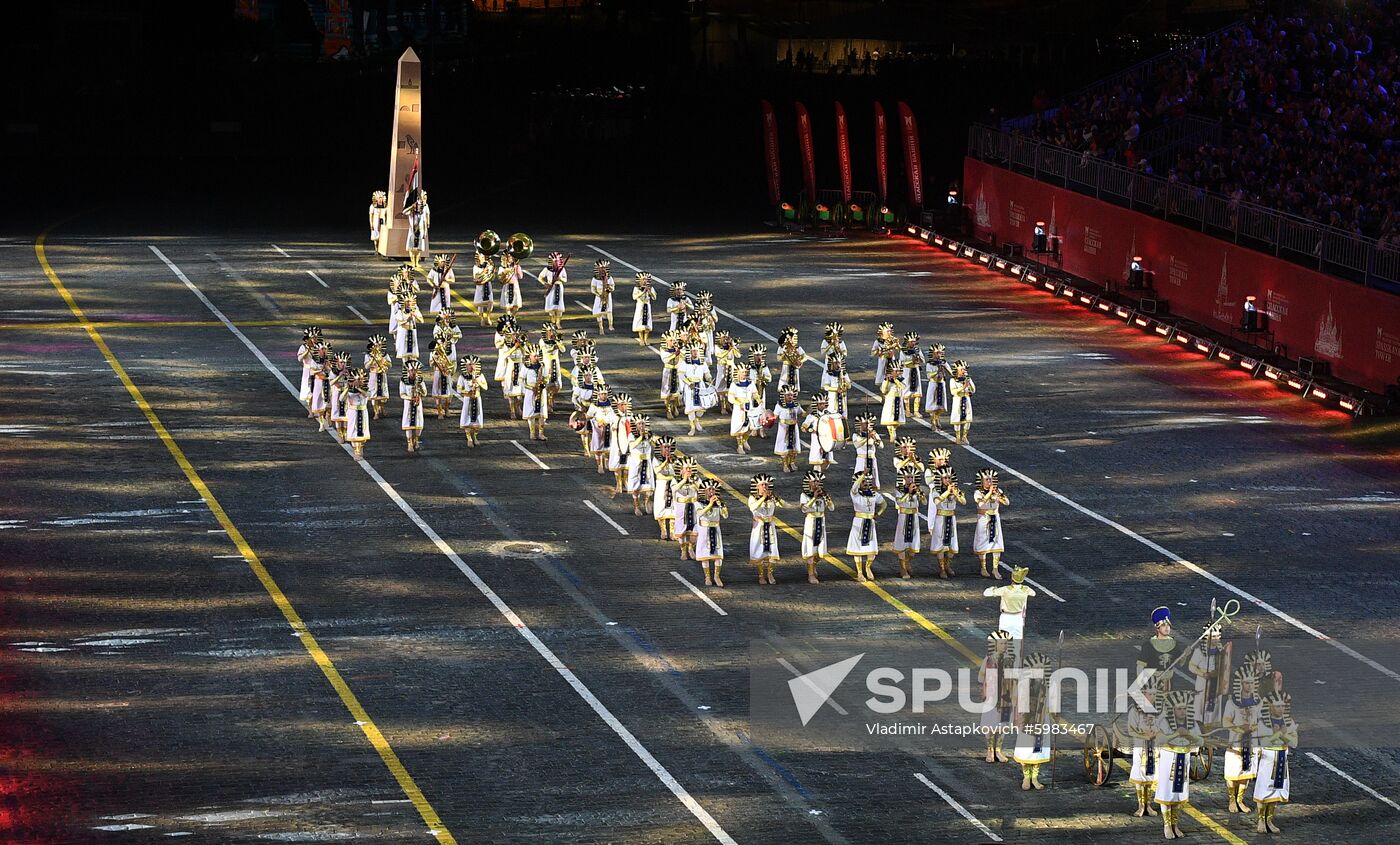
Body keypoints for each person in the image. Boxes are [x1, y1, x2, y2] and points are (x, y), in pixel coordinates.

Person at [1156, 690, 1202, 839]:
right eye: (1179, 708)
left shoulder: (1192, 723)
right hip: (1169, 758)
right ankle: (1167, 825)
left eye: (1184, 708)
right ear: (1173, 709)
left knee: (1178, 793)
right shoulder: (1164, 722)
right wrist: (1177, 733)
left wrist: (1188, 735)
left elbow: (1200, 740)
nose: (1182, 711)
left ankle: (1175, 824)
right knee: (1167, 791)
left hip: (1184, 757)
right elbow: (1160, 740)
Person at [1222, 661, 1263, 815]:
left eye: (1251, 683)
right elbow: (1226, 721)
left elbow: (1263, 721)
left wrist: (1254, 728)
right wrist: (1239, 728)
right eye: (1246, 683)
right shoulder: (1232, 703)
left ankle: (1240, 800)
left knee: (1246, 772)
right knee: (1233, 772)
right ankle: (1232, 799)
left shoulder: (1258, 703)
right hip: (1236, 742)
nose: (1249, 686)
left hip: (1251, 742)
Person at [1253, 691, 1296, 834]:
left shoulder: (1288, 721)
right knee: (1264, 789)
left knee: (1276, 791)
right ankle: (1260, 820)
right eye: (1277, 706)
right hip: (1268, 759)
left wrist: (1282, 735)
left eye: (1283, 706)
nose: (1281, 709)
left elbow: (1294, 742)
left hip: (1282, 758)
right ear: (1270, 706)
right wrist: (1279, 734)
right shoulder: (1263, 722)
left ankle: (1269, 820)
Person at [1012, 651, 1053, 790]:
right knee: (1026, 749)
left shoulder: (1047, 685)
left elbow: (1051, 703)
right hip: (1027, 721)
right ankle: (1026, 777)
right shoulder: (1024, 685)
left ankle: (1034, 777)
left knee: (1037, 750)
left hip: (1041, 721)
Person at [1128, 674, 1166, 817]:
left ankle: (1148, 805)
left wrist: (1157, 733)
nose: (1152, 697)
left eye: (1155, 694)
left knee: (1151, 775)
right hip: (1141, 747)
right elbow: (1131, 730)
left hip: (1154, 747)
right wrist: (1145, 735)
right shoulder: (1135, 711)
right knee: (1140, 774)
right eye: (1150, 694)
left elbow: (1163, 727)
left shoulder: (1159, 711)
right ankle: (1140, 805)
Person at [980, 630, 1017, 763]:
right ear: (995, 644)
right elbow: (982, 677)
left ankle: (998, 749)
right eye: (1001, 643)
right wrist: (985, 691)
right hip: (992, 697)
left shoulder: (1011, 660)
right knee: (991, 723)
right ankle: (990, 750)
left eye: (1006, 643)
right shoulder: (989, 659)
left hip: (1006, 697)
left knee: (1003, 724)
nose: (1004, 646)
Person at [846, 471, 885, 582]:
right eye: (863, 481)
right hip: (859, 523)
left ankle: (868, 567)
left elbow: (884, 504)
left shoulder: (874, 494)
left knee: (871, 547)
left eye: (867, 481)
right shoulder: (855, 494)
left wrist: (878, 514)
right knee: (858, 547)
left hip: (870, 522)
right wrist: (863, 474)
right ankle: (859, 572)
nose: (866, 483)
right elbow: (854, 487)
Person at [927, 467, 964, 578]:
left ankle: (947, 565)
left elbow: (963, 501)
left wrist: (956, 493)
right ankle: (942, 568)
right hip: (940, 518)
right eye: (945, 478)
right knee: (940, 544)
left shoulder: (955, 489)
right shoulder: (936, 490)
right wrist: (947, 492)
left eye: (949, 478)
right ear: (940, 479)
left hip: (951, 518)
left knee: (952, 544)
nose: (947, 480)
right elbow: (936, 501)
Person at [799, 470, 834, 583]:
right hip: (811, 523)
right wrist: (814, 498)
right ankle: (810, 574)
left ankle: (814, 566)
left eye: (818, 481)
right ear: (809, 483)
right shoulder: (804, 495)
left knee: (819, 552)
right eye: (814, 481)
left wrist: (827, 498)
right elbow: (804, 509)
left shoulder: (823, 494)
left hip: (821, 523)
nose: (817, 484)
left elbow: (832, 508)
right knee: (810, 549)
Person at [973, 468, 1009, 578]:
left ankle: (995, 569)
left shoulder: (998, 491)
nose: (990, 482)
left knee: (997, 543)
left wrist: (999, 495)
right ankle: (983, 568)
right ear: (982, 481)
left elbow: (1007, 502)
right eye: (987, 480)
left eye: (991, 479)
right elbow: (981, 505)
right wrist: (989, 493)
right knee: (982, 542)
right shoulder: (978, 493)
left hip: (995, 519)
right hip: (983, 519)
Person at [748, 474, 783, 585]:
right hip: (759, 527)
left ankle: (770, 573)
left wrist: (775, 498)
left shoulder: (771, 497)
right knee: (759, 549)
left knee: (772, 549)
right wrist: (763, 498)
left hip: (770, 525)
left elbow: (782, 505)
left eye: (766, 485)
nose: (764, 487)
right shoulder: (752, 497)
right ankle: (761, 575)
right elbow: (753, 507)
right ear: (757, 486)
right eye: (762, 485)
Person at [983, 566, 1035, 639]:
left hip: (1006, 617)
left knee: (1003, 640)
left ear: (1012, 577)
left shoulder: (1005, 589)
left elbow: (986, 593)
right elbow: (1033, 593)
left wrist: (992, 588)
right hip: (1018, 618)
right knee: (1017, 640)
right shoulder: (1026, 589)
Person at [892, 468, 926, 579]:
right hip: (903, 517)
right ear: (903, 478)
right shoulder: (899, 490)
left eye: (912, 477)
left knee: (913, 545)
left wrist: (920, 494)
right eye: (908, 477)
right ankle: (902, 568)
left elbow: (924, 502)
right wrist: (909, 493)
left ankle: (907, 562)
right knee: (902, 541)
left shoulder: (917, 489)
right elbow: (899, 502)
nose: (910, 479)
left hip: (914, 517)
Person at [695, 478, 728, 587]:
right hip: (705, 531)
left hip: (716, 530)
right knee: (705, 555)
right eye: (709, 489)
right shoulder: (698, 503)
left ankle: (717, 576)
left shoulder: (718, 502)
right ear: (704, 491)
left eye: (713, 489)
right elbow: (700, 513)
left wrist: (721, 506)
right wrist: (710, 504)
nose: (711, 492)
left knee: (718, 555)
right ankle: (707, 576)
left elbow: (725, 516)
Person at [727, 365, 761, 454]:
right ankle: (740, 446)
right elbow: (730, 398)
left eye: (746, 372)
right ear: (738, 373)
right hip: (739, 410)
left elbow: (754, 393)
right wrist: (738, 403)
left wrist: (758, 399)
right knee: (740, 427)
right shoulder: (734, 384)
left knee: (751, 426)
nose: (744, 374)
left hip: (749, 408)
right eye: (742, 372)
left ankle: (745, 440)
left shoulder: (750, 383)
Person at [681, 344, 714, 435]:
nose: (695, 353)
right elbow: (681, 375)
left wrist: (710, 379)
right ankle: (692, 426)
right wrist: (688, 383)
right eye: (693, 351)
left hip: (700, 386)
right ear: (690, 352)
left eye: (697, 351)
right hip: (690, 387)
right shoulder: (685, 363)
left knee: (701, 407)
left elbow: (706, 373)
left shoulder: (702, 362)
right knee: (691, 407)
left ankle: (697, 420)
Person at [625, 416, 655, 516]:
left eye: (643, 424)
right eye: (639, 424)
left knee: (649, 483)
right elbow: (632, 445)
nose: (641, 426)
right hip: (636, 463)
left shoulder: (649, 434)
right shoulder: (631, 435)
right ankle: (636, 505)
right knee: (635, 484)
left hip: (646, 462)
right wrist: (641, 437)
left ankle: (647, 501)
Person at [802, 392, 840, 469]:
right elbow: (803, 427)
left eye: (823, 403)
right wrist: (811, 430)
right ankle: (817, 471)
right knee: (817, 458)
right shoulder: (812, 416)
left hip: (827, 437)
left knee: (827, 459)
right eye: (820, 404)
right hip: (817, 438)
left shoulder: (828, 414)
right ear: (816, 405)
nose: (823, 405)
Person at [455, 355, 487, 446]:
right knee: (467, 417)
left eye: (473, 364)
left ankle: (475, 436)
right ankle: (469, 437)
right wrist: (467, 392)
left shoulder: (480, 376)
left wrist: (478, 382)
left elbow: (485, 387)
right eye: (469, 364)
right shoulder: (462, 377)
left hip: (477, 399)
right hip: (467, 399)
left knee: (477, 417)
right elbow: (459, 390)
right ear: (466, 366)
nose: (472, 366)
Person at [652, 435, 680, 539]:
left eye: (668, 447)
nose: (667, 449)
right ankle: (663, 530)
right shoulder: (656, 459)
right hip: (662, 484)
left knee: (674, 507)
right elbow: (657, 470)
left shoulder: (675, 459)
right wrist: (665, 462)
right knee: (660, 506)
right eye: (665, 447)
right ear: (661, 447)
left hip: (672, 484)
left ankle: (672, 531)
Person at [587, 386, 619, 476]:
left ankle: (607, 461)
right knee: (598, 448)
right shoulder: (594, 405)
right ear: (598, 395)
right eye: (602, 394)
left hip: (609, 428)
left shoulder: (612, 405)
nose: (603, 396)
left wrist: (611, 423)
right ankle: (599, 465)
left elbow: (615, 416)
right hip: (598, 429)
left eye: (605, 394)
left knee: (609, 446)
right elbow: (589, 416)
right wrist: (597, 422)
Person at [773, 385, 805, 473]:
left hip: (794, 428)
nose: (790, 397)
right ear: (783, 396)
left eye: (791, 395)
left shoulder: (796, 405)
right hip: (784, 429)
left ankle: (792, 462)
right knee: (784, 446)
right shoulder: (779, 406)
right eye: (788, 395)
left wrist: (810, 412)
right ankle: (785, 464)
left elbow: (802, 413)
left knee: (794, 446)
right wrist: (768, 418)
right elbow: (774, 417)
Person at [520, 342, 548, 442]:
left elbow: (546, 377)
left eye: (537, 356)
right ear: (530, 357)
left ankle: (541, 433)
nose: (536, 358)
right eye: (534, 356)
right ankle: (532, 433)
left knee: (541, 413)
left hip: (541, 391)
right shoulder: (526, 367)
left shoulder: (542, 366)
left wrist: (543, 383)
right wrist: (530, 387)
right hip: (530, 391)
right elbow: (521, 380)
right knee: (531, 413)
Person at [343, 368, 371, 458]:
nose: (359, 381)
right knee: (353, 431)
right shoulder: (350, 390)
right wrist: (347, 388)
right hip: (353, 413)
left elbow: (368, 395)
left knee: (363, 432)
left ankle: (360, 447)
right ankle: (356, 451)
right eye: (357, 379)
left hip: (363, 412)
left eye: (360, 379)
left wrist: (359, 389)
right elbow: (341, 398)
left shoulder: (366, 389)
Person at [850, 413, 883, 489]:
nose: (867, 425)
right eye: (865, 423)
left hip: (872, 459)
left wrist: (875, 439)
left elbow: (881, 446)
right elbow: (857, 445)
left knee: (873, 480)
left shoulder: (874, 434)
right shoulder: (856, 435)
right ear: (860, 424)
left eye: (869, 423)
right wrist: (867, 437)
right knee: (860, 478)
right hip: (861, 460)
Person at [399, 361, 426, 453]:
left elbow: (425, 393)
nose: (413, 372)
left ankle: (416, 439)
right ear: (408, 371)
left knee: (418, 423)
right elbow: (402, 394)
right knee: (408, 423)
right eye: (411, 370)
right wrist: (410, 398)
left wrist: (420, 389)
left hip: (418, 404)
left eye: (415, 370)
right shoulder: (403, 381)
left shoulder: (420, 380)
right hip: (408, 404)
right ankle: (409, 442)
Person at [925, 343, 951, 431]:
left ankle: (937, 418)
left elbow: (951, 372)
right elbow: (929, 376)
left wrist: (946, 369)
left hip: (941, 383)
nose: (939, 355)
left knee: (940, 404)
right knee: (932, 402)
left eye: (940, 353)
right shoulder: (930, 364)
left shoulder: (943, 362)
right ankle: (932, 421)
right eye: (937, 353)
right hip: (933, 384)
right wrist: (937, 372)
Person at [364, 334, 392, 420]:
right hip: (373, 376)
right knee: (374, 395)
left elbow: (390, 364)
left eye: (379, 345)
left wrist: (384, 361)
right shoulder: (368, 355)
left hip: (382, 375)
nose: (377, 347)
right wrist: (373, 359)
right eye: (376, 345)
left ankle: (381, 409)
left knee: (383, 395)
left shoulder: (384, 355)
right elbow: (367, 366)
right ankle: (376, 412)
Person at [899, 331, 925, 419]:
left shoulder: (917, 350)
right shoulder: (903, 351)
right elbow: (902, 363)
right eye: (911, 341)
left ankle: (916, 411)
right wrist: (911, 361)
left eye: (914, 341)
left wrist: (918, 358)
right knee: (906, 390)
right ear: (907, 341)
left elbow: (923, 360)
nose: (913, 343)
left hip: (916, 370)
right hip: (907, 371)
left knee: (917, 391)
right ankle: (907, 410)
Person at [949, 359, 976, 444]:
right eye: (962, 369)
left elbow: (973, 390)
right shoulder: (953, 380)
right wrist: (963, 387)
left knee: (968, 418)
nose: (964, 371)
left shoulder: (967, 379)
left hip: (966, 399)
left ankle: (964, 436)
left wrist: (969, 383)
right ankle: (957, 437)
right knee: (957, 418)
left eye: (964, 369)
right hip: (957, 400)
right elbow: (953, 392)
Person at [747, 344, 773, 431]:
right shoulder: (749, 368)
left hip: (761, 389)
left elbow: (769, 378)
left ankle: (761, 429)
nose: (759, 357)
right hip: (752, 391)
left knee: (762, 408)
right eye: (757, 355)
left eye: (760, 355)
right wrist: (755, 380)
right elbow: (747, 379)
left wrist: (763, 378)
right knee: (752, 409)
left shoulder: (764, 366)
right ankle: (753, 428)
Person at [713, 332, 740, 413]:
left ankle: (728, 404)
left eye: (726, 337)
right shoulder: (717, 347)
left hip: (731, 369)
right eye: (723, 337)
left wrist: (733, 347)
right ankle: (723, 406)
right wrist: (728, 350)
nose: (725, 339)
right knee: (721, 387)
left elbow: (738, 355)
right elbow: (720, 355)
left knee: (730, 387)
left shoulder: (731, 346)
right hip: (722, 369)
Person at [428, 340, 455, 419]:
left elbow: (452, 363)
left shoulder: (448, 352)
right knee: (438, 393)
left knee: (449, 393)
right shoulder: (433, 353)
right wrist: (434, 359)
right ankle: (439, 412)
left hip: (447, 373)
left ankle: (447, 409)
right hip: (438, 373)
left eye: (442, 343)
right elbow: (431, 364)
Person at [328, 351, 351, 442]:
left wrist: (348, 377)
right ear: (337, 362)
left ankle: (345, 433)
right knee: (337, 414)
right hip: (337, 394)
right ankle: (340, 434)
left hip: (345, 393)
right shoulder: (333, 371)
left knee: (345, 414)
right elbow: (331, 382)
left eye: (344, 362)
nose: (343, 364)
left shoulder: (348, 371)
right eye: (341, 362)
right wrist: (339, 376)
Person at [659, 330, 684, 419]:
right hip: (668, 371)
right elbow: (665, 359)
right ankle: (668, 409)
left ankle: (674, 406)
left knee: (676, 390)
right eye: (671, 340)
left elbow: (683, 357)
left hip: (676, 370)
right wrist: (674, 355)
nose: (673, 342)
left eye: (674, 340)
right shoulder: (663, 349)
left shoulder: (678, 348)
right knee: (667, 390)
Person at [539, 251, 566, 328]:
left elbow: (565, 279)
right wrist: (545, 283)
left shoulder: (562, 269)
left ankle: (558, 323)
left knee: (559, 307)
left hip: (559, 288)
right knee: (551, 306)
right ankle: (553, 322)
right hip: (551, 288)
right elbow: (540, 278)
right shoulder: (547, 269)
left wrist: (559, 278)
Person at [394, 291, 422, 363]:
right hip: (404, 332)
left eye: (410, 301)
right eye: (407, 301)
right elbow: (400, 323)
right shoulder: (400, 311)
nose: (409, 303)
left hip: (412, 332)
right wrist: (407, 320)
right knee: (404, 352)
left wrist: (415, 316)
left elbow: (421, 320)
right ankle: (405, 366)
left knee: (413, 352)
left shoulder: (415, 310)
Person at [879, 365, 905, 443]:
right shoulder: (886, 380)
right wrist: (887, 381)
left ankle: (893, 430)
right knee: (889, 418)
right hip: (890, 401)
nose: (898, 373)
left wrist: (895, 380)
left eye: (898, 371)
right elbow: (883, 390)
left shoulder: (900, 380)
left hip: (898, 400)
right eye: (896, 371)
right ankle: (892, 433)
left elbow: (903, 387)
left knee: (897, 419)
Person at [298, 326, 321, 411]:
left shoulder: (320, 346)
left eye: (316, 337)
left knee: (318, 389)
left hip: (318, 370)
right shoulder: (303, 347)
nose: (314, 339)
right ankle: (310, 410)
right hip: (308, 371)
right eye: (312, 337)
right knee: (309, 390)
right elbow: (300, 359)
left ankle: (318, 409)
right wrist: (307, 351)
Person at [777, 327, 805, 393]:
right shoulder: (782, 348)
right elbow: (779, 358)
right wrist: (784, 353)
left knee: (794, 384)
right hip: (786, 367)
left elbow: (805, 357)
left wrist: (800, 361)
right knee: (785, 381)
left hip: (795, 368)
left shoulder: (797, 348)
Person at [591, 259, 615, 334]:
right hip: (599, 297)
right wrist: (599, 295)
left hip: (607, 296)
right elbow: (593, 289)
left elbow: (613, 287)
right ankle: (601, 328)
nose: (602, 270)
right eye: (601, 268)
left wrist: (608, 288)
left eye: (604, 268)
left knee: (609, 310)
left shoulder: (609, 278)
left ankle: (610, 325)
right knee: (599, 312)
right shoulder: (595, 279)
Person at [406, 192, 429, 269]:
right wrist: (411, 207)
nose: (419, 207)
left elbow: (424, 222)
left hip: (420, 231)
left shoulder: (422, 214)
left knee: (419, 248)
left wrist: (425, 232)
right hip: (412, 231)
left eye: (420, 206)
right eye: (417, 205)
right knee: (412, 248)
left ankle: (417, 262)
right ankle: (413, 262)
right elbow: (404, 212)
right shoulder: (411, 213)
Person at [632, 272, 656, 346]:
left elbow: (654, 298)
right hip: (640, 306)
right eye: (643, 279)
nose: (644, 281)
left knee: (647, 322)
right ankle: (641, 339)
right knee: (640, 321)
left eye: (646, 279)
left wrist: (649, 292)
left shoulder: (651, 288)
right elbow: (634, 297)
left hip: (647, 305)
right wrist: (643, 292)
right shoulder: (636, 288)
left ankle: (646, 339)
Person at [472, 251, 495, 326]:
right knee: (480, 304)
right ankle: (481, 318)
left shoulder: (489, 265)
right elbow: (475, 277)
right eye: (481, 257)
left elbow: (491, 276)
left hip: (488, 285)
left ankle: (488, 316)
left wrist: (492, 272)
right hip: (480, 287)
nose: (483, 258)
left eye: (483, 257)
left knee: (490, 302)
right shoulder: (475, 267)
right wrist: (483, 272)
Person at [498, 252, 523, 316]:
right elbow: (500, 278)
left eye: (512, 256)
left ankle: (512, 317)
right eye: (509, 256)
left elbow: (520, 277)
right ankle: (509, 319)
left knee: (516, 306)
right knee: (508, 306)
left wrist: (517, 268)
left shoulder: (516, 266)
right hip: (507, 286)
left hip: (515, 287)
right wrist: (505, 272)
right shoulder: (502, 268)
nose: (511, 258)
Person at [871, 321, 896, 386]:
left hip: (891, 360)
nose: (889, 333)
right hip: (883, 360)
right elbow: (873, 352)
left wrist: (893, 352)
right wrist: (879, 352)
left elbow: (898, 349)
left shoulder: (893, 340)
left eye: (890, 331)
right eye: (887, 331)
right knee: (882, 373)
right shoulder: (878, 341)